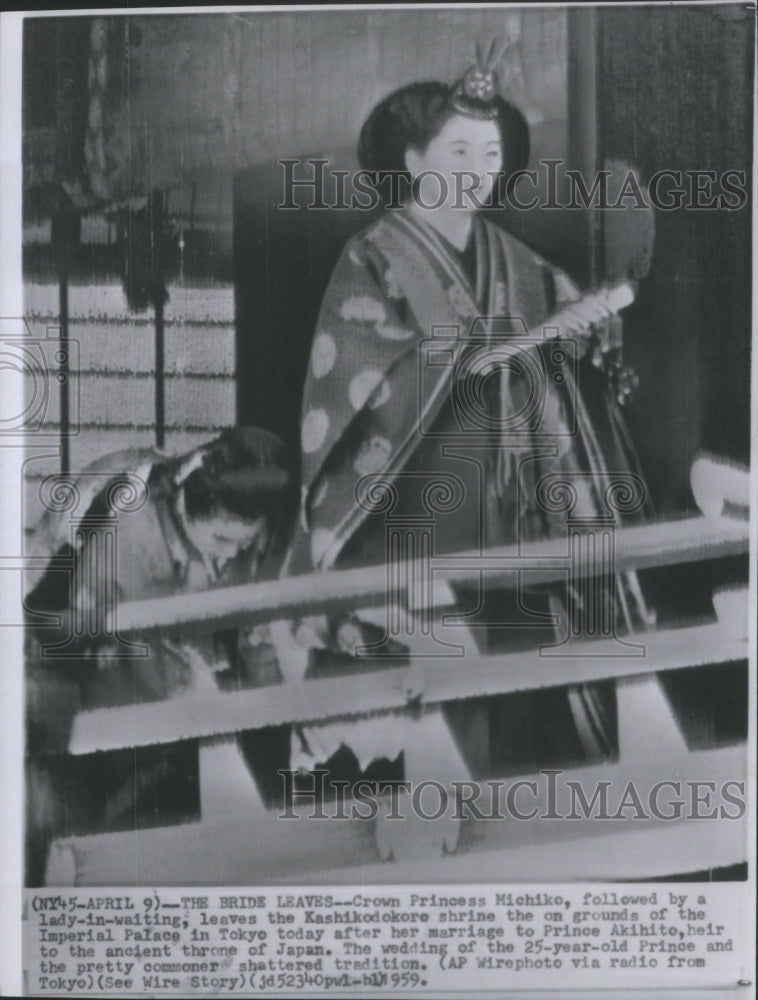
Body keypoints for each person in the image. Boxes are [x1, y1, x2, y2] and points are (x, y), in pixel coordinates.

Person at [278, 56, 652, 782]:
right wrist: (461, 357)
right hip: (418, 505)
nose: (479, 169)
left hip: (517, 504)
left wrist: (593, 355)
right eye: (458, 152)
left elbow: (570, 357)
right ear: (413, 160)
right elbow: (350, 375)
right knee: (432, 676)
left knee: (519, 676)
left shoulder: (521, 262)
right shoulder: (375, 257)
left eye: (491, 154)